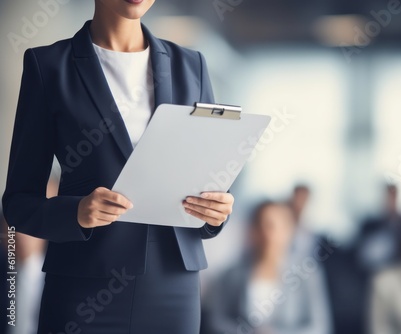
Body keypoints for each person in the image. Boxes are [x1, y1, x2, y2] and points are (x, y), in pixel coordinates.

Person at [2, 1, 234, 333]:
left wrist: (216, 212)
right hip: (82, 287)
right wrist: (76, 213)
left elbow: (209, 178)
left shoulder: (191, 65)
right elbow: (17, 203)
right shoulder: (48, 66)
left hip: (172, 285)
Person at [204, 201, 332, 334]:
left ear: (289, 231)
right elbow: (216, 322)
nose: (267, 234)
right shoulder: (231, 274)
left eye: (273, 226)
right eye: (260, 226)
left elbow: (319, 327)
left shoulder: (307, 274)